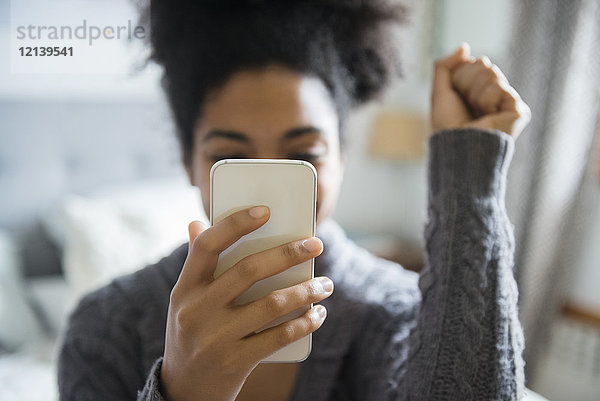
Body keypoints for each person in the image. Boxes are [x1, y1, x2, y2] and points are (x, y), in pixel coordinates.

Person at [58, 1, 531, 400]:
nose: (267, 186)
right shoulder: (105, 327)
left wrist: (470, 178)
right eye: (230, 156)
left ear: (343, 158)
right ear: (188, 162)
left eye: (303, 154)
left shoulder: (394, 310)